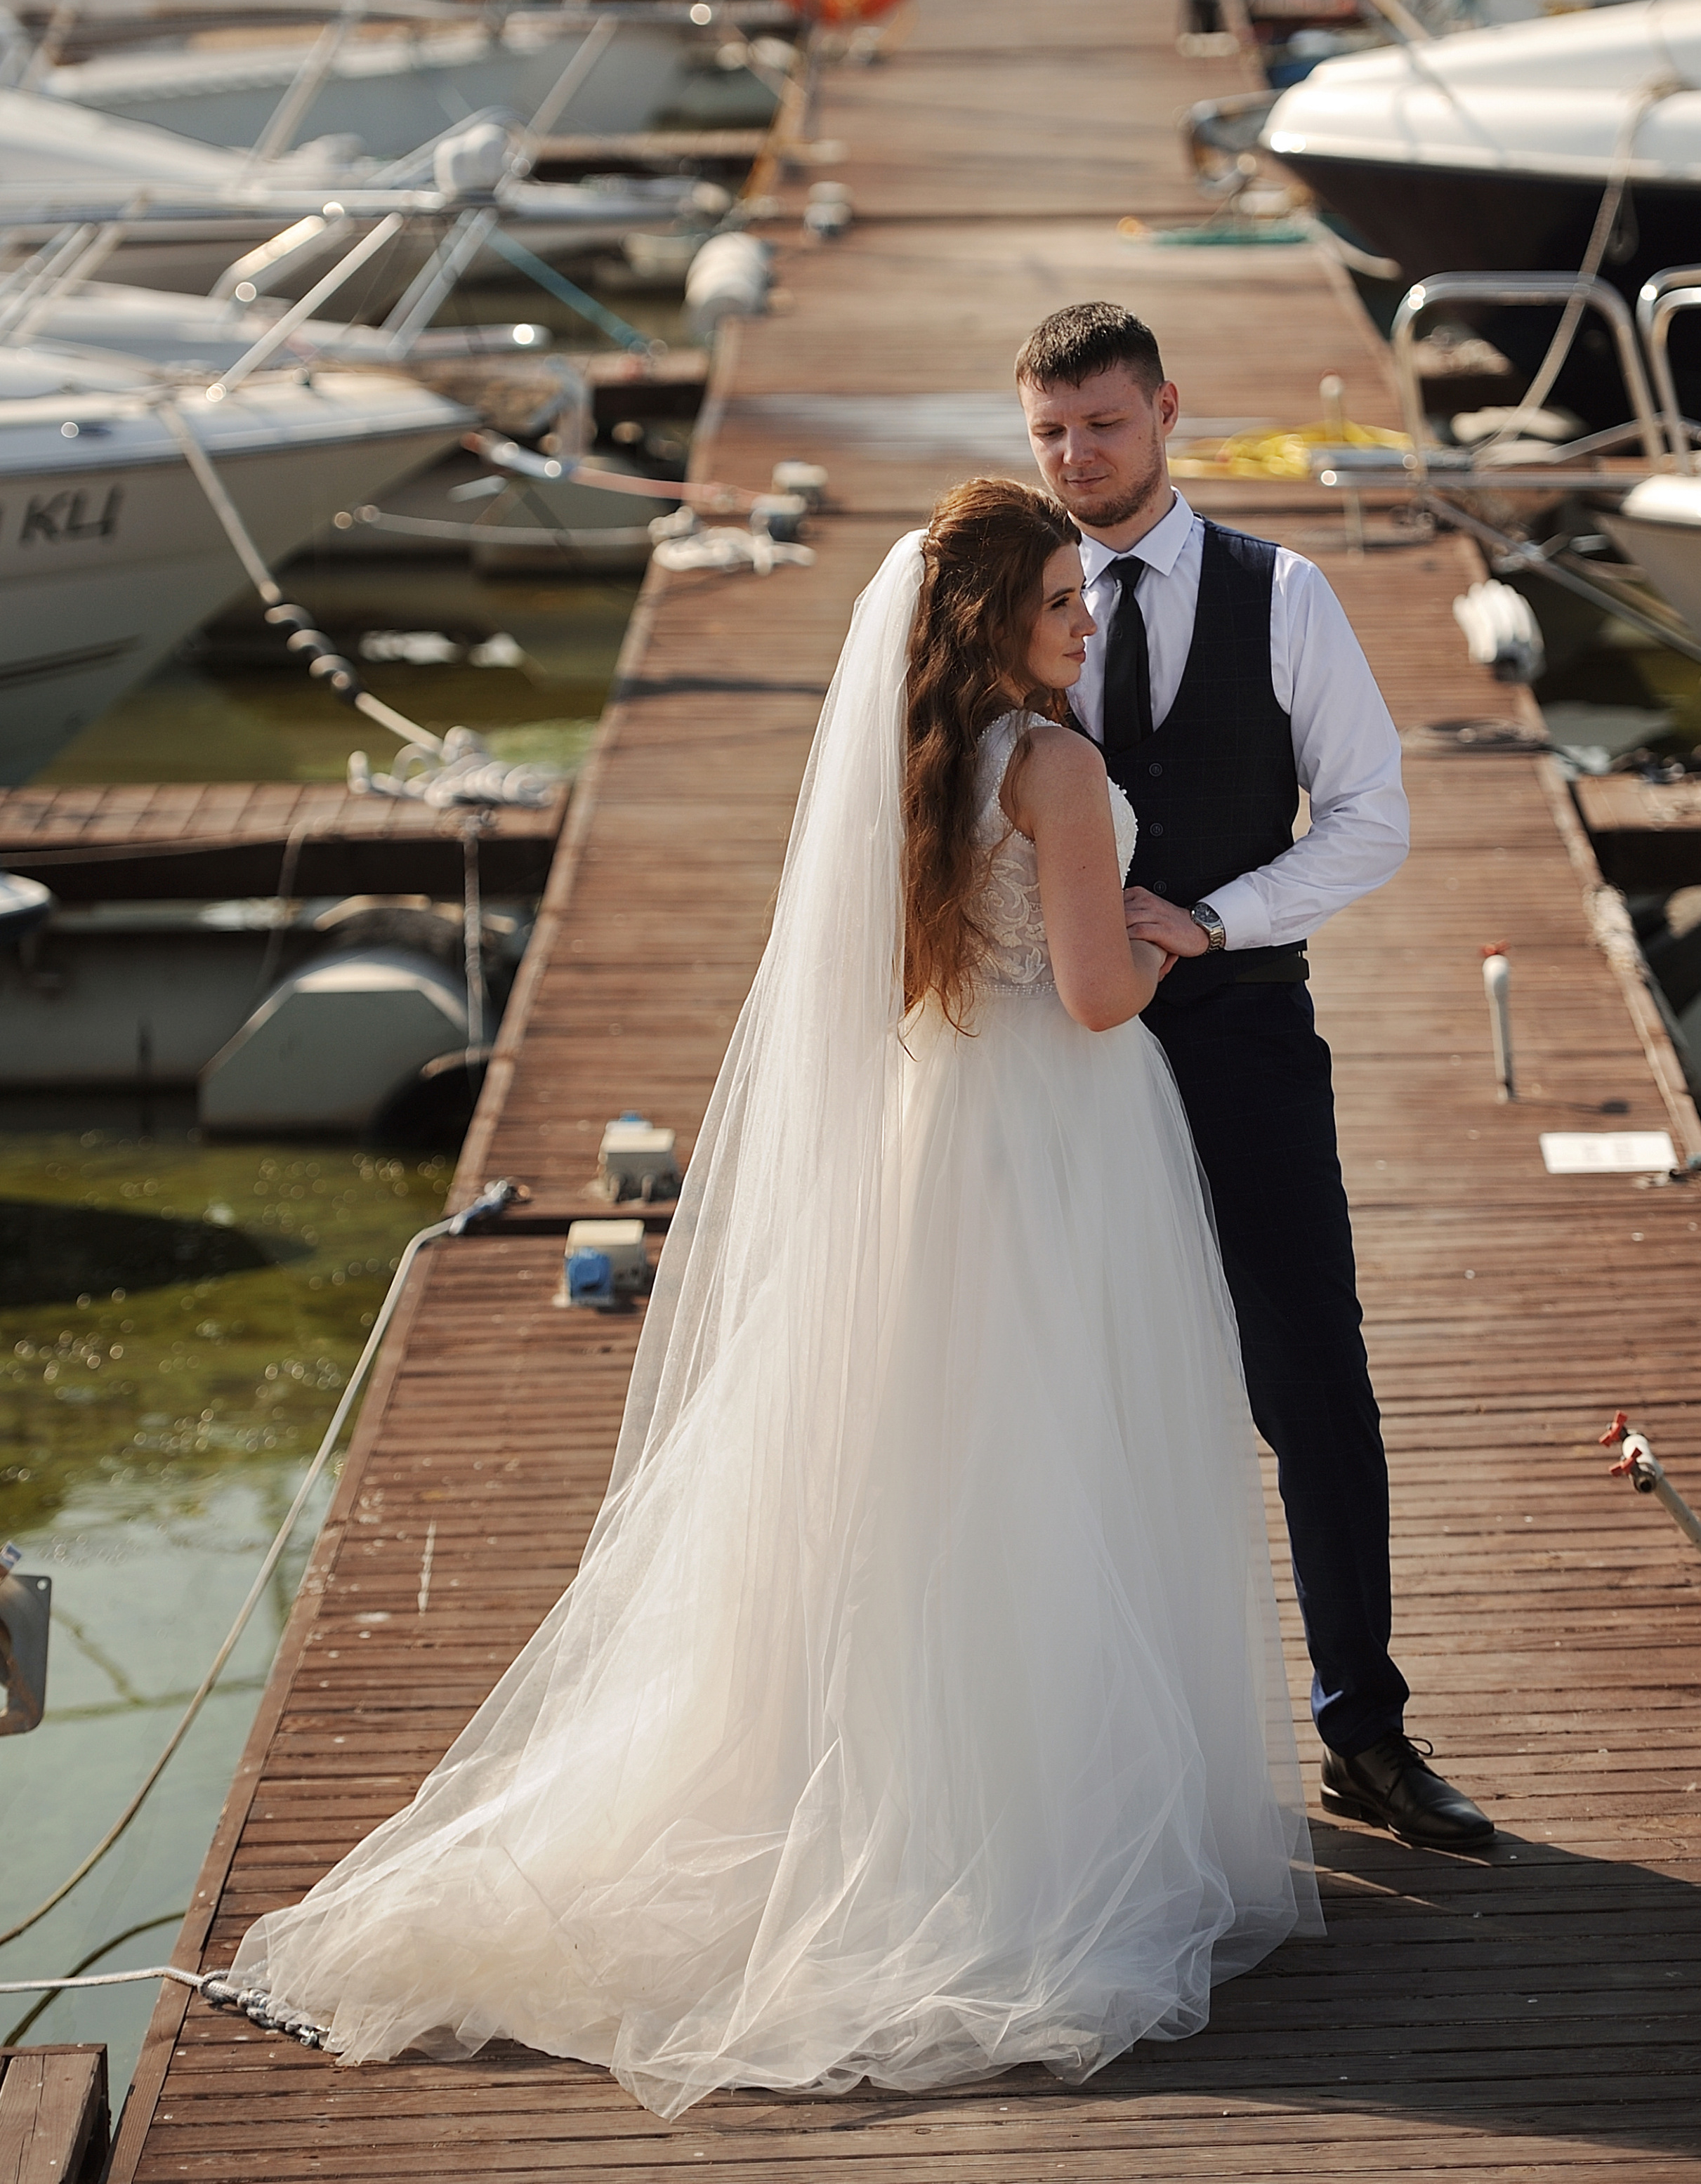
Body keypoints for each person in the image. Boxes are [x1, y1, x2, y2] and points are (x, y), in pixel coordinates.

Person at [227, 479, 1319, 2117]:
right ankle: (1031, 1831)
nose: (1083, 623)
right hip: (1057, 1141)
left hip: (932, 1128)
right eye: (1056, 607)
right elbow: (1094, 996)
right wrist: (1172, 933)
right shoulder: (1063, 771)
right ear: (993, 623)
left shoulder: (922, 761)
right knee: (1060, 1463)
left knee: (933, 1467)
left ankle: (914, 1785)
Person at [1016, 301, 1494, 1854]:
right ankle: (1094, 1742)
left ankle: (1363, 1729)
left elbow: (1369, 816)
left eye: (1100, 422)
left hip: (1239, 1034)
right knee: (1064, 1386)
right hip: (1047, 1053)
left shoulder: (1280, 591)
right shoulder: (1006, 597)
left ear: (1164, 409)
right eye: (1048, 431)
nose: (1075, 455)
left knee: (1313, 1379)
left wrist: (1217, 918)